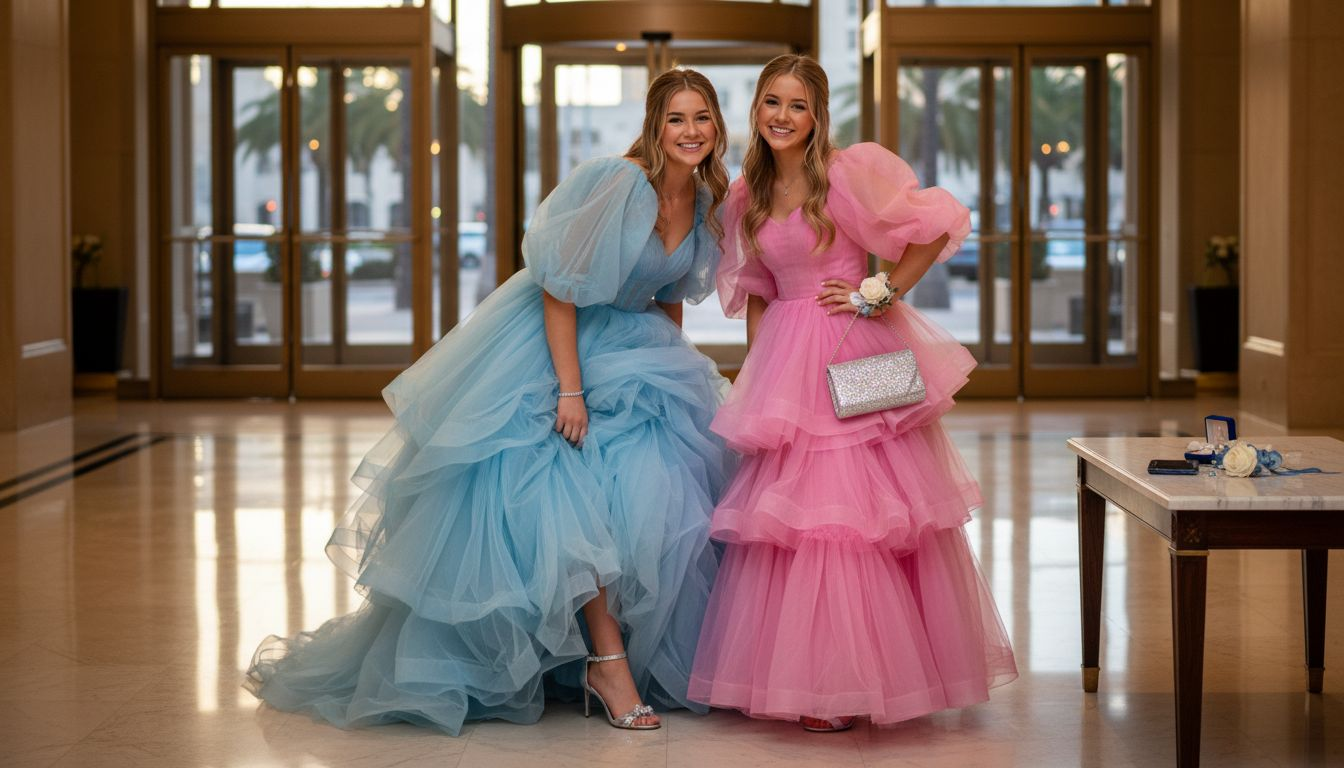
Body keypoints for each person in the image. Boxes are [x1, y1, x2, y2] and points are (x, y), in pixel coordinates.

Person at [246, 68, 733, 734]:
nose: (691, 131)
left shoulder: (706, 199)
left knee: (655, 495)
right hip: (561, 347)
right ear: (654, 125)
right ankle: (606, 662)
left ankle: (609, 656)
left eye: (702, 117)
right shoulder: (618, 183)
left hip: (639, 354)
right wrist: (571, 391)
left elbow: (669, 294)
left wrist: (670, 375)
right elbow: (558, 287)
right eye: (676, 118)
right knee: (569, 496)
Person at [688, 54, 1017, 732]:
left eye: (798, 105)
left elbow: (932, 227)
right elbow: (757, 292)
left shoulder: (838, 177)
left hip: (849, 346)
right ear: (756, 109)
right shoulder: (747, 193)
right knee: (790, 524)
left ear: (817, 117)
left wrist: (883, 290)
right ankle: (809, 677)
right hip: (785, 360)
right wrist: (761, 379)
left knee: (855, 518)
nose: (783, 116)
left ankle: (856, 683)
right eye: (773, 102)